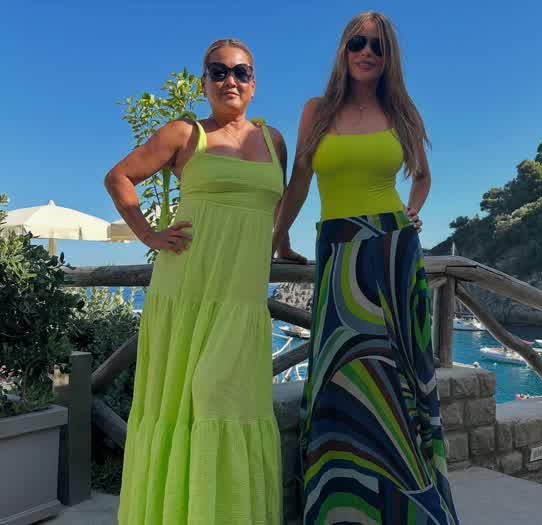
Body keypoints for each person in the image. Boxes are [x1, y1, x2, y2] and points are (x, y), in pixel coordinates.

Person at [272, 12, 460, 524]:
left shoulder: (401, 111)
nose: (367, 52)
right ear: (343, 49)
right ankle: (343, 502)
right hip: (338, 249)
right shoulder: (316, 111)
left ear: (388, 56)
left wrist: (412, 211)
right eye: (358, 42)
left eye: (378, 45)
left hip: (394, 252)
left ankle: (412, 503)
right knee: (340, 371)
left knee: (400, 375)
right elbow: (299, 181)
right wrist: (280, 239)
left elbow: (422, 175)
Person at [106, 38, 303, 525]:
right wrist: (149, 235)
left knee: (223, 397)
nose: (229, 80)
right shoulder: (184, 133)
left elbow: (275, 203)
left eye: (240, 72)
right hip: (186, 289)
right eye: (218, 72)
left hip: (242, 297)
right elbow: (119, 177)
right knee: (183, 405)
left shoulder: (274, 141)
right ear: (204, 83)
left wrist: (280, 245)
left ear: (254, 84)